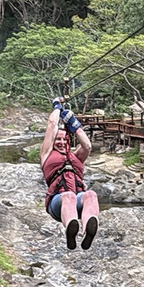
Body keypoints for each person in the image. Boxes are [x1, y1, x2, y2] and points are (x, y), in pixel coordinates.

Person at [40, 98, 100, 250]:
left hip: (77, 200)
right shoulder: (46, 154)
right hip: (57, 203)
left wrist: (75, 125)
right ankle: (70, 230)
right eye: (57, 140)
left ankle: (88, 231)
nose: (61, 142)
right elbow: (52, 124)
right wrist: (57, 108)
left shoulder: (75, 157)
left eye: (64, 140)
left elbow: (87, 146)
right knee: (69, 196)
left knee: (91, 194)